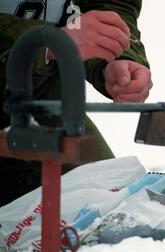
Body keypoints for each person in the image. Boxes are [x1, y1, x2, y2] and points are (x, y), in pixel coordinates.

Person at [0, 0, 152, 206]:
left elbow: (114, 4)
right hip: (27, 74)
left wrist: (114, 54)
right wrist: (48, 41)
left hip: (41, 96)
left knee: (120, 212)